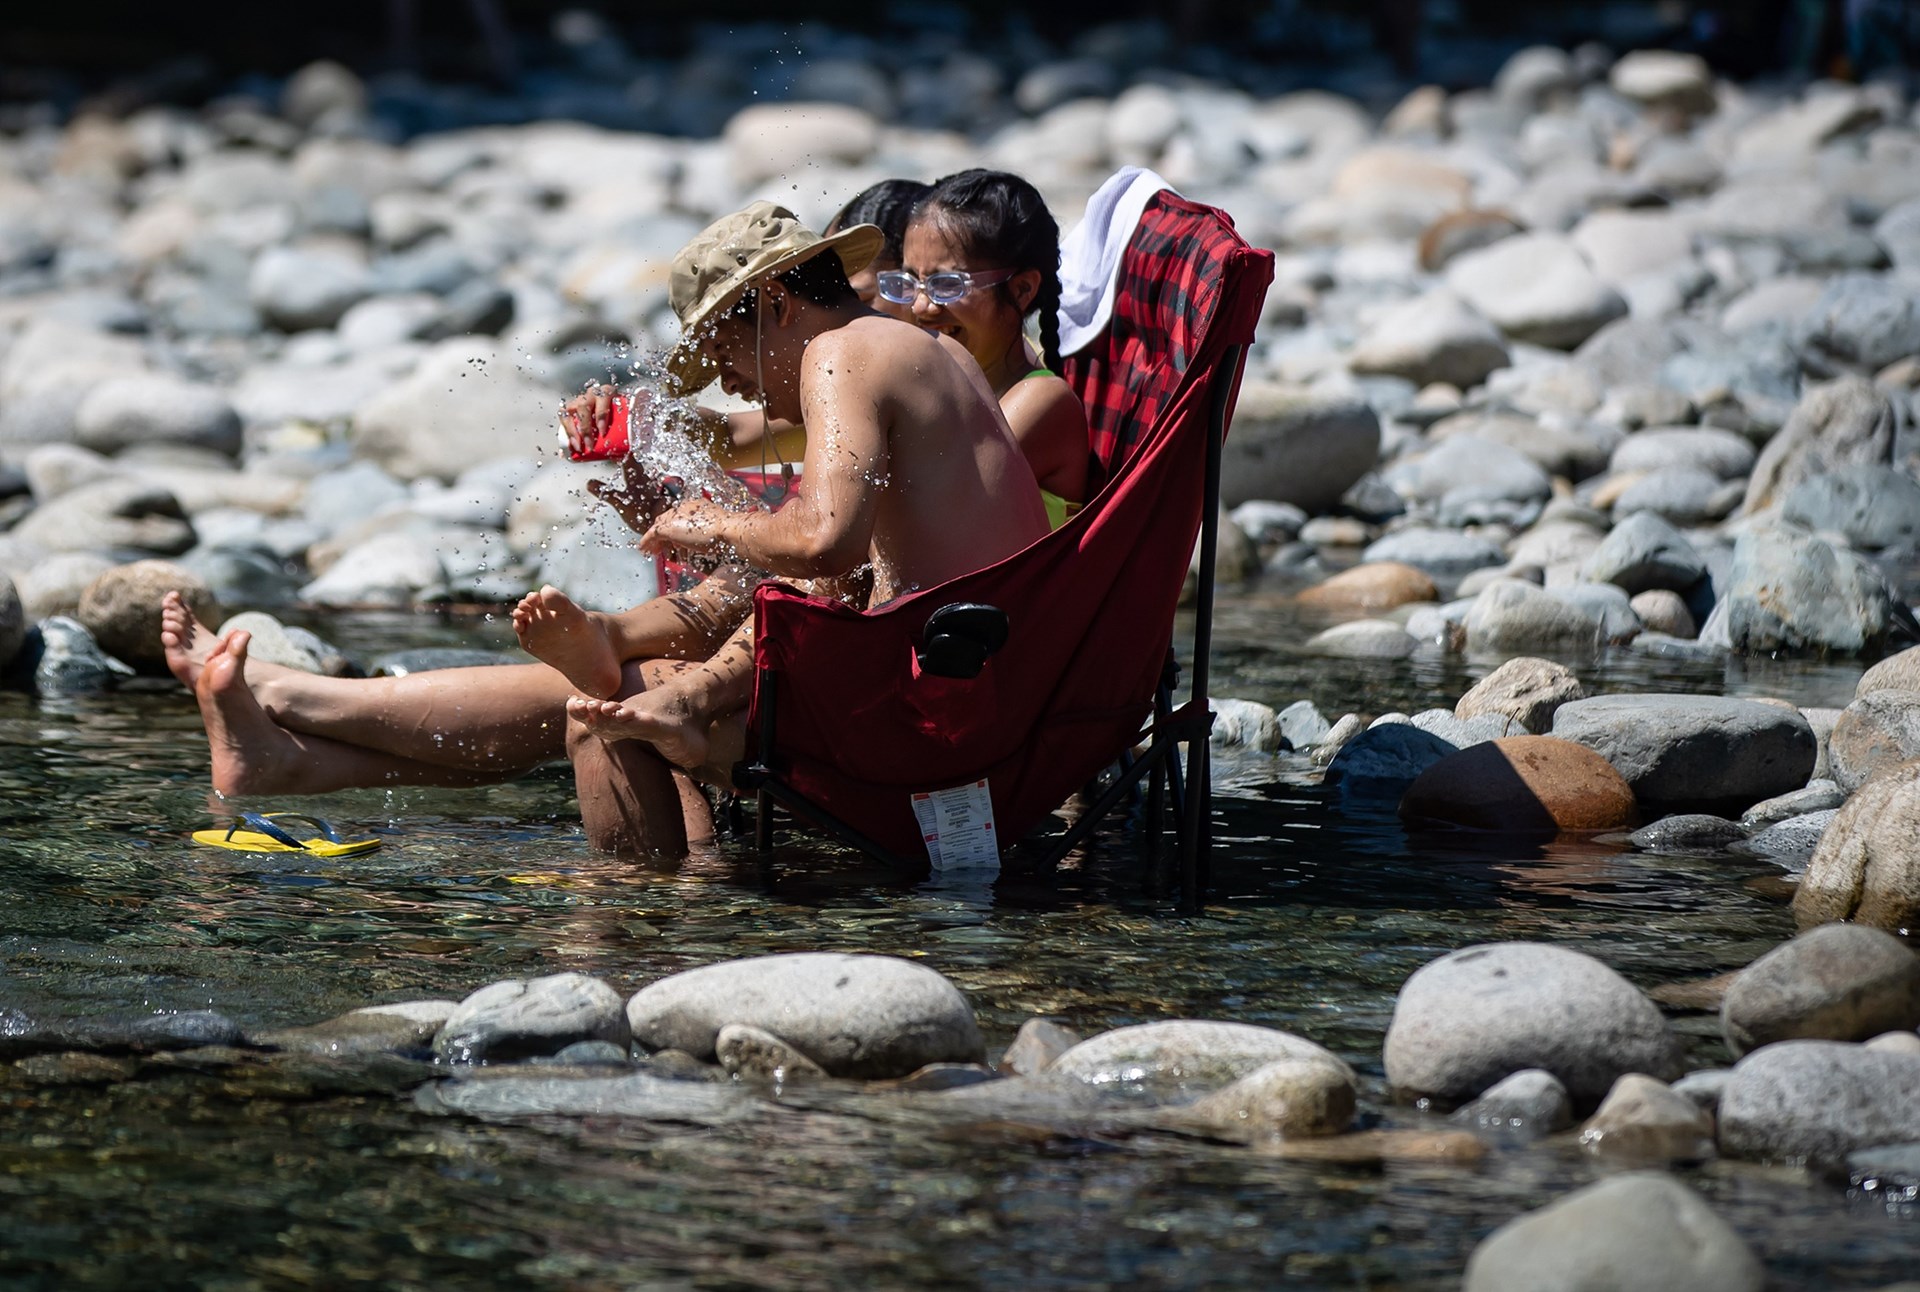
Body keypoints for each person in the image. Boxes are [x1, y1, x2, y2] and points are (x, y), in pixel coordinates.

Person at [545, 200, 1049, 852]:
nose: (732, 383)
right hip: (1001, 694)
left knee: (600, 726)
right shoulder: (923, 349)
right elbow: (847, 562)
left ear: (778, 304)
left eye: (726, 350)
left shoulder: (839, 355)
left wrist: (714, 523)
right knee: (647, 709)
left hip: (943, 730)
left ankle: (631, 936)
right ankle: (704, 875)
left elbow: (823, 542)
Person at [898, 168, 1090, 527]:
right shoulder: (948, 383)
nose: (921, 307)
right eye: (911, 281)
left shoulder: (1041, 400)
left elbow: (918, 512)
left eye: (947, 284)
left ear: (1021, 289)